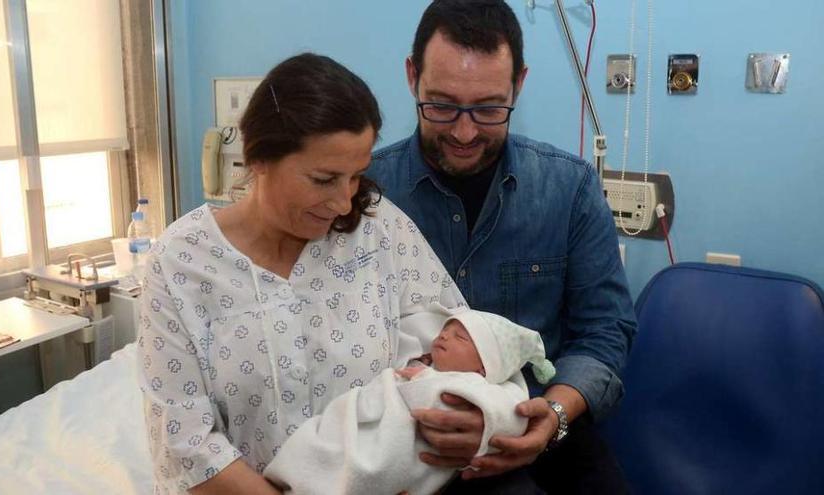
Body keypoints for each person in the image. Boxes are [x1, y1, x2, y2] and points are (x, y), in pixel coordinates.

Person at [137, 53, 467, 495]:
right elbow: (187, 444)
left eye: (355, 177)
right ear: (259, 159)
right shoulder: (181, 263)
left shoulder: (377, 230)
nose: (344, 203)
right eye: (324, 178)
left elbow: (459, 342)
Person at [366, 1, 638, 493]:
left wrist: (551, 415)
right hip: (405, 438)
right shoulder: (363, 193)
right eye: (442, 106)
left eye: (490, 108)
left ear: (519, 84)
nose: (465, 132)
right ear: (412, 77)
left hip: (541, 431)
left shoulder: (569, 187)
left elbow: (605, 331)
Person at [263, 307, 556, 495]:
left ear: (484, 366)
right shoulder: (430, 369)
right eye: (445, 331)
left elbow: (502, 413)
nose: (444, 338)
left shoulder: (473, 386)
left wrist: (413, 382)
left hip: (401, 453)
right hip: (373, 428)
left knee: (360, 465)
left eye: (461, 339)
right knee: (332, 439)